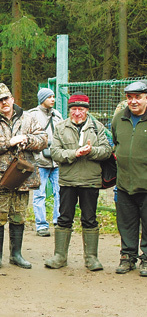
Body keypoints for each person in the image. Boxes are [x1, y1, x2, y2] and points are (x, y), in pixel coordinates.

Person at [45, 92, 111, 271]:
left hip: (90, 181)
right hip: (68, 181)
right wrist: (75, 153)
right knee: (64, 218)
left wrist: (91, 151)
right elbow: (56, 153)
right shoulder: (60, 127)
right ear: (69, 110)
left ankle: (91, 258)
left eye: (81, 109)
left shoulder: (97, 127)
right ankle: (60, 256)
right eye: (74, 109)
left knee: (89, 219)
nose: (77, 113)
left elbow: (107, 150)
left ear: (87, 110)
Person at [0, 83, 47, 269]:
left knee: (19, 216)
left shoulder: (28, 118)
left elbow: (43, 140)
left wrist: (27, 140)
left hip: (22, 177)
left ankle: (16, 254)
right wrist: (9, 142)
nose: (4, 103)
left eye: (6, 98)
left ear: (12, 98)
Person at [111, 81, 147, 276]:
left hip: (146, 183)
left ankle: (146, 259)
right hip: (124, 182)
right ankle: (127, 256)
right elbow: (116, 141)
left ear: (146, 98)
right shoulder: (119, 119)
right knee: (126, 223)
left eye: (138, 97)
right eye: (130, 97)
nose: (133, 101)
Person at [28, 88, 63, 237]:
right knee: (39, 194)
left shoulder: (57, 115)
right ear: (42, 99)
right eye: (49, 97)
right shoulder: (32, 115)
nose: (52, 99)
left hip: (57, 161)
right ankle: (41, 225)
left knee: (60, 192)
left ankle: (59, 221)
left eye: (53, 96)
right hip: (40, 160)